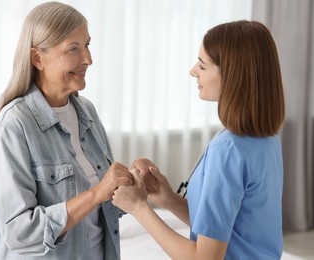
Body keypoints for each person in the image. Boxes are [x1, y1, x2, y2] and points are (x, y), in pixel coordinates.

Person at [112, 20, 285, 259]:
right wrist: (169, 199)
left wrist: (139, 208)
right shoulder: (265, 137)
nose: (193, 70)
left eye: (203, 66)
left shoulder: (228, 149)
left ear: (233, 76)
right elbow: (225, 229)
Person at [0, 2, 133, 259]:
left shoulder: (88, 113)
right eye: (73, 49)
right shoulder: (12, 128)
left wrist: (132, 184)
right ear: (37, 58)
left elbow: (103, 208)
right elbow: (20, 233)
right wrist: (96, 193)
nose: (88, 59)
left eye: (86, 45)